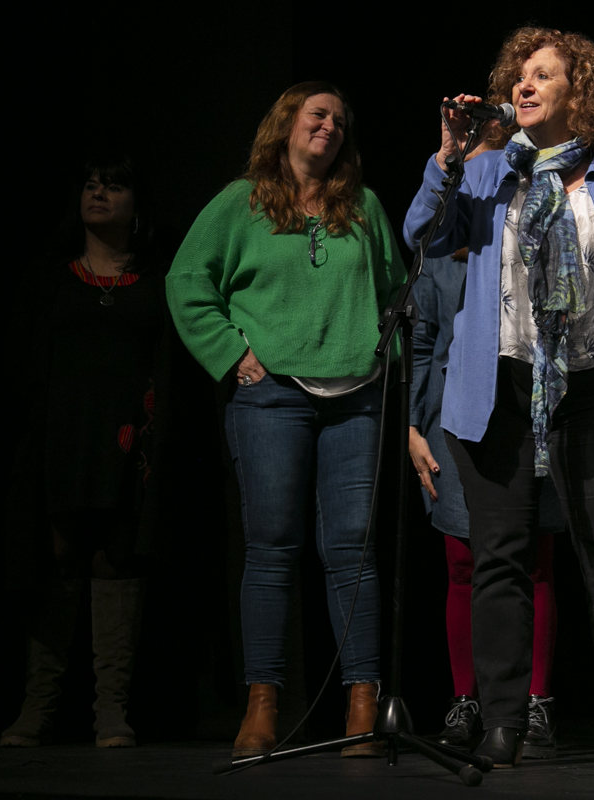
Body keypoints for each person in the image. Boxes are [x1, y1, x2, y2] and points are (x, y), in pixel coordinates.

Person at [404, 27, 594, 769]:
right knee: (499, 561)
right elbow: (423, 237)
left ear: (580, 92)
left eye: (544, 75)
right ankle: (503, 726)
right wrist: (447, 156)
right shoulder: (484, 173)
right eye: (520, 75)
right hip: (499, 388)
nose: (525, 85)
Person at [167, 81, 405, 758]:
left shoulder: (362, 206)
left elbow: (396, 293)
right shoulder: (241, 203)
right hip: (271, 395)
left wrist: (384, 358)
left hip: (356, 397)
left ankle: (362, 704)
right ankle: (262, 704)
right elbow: (187, 282)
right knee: (272, 547)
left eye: (340, 121)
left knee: (353, 550)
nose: (329, 126)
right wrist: (232, 356)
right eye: (317, 115)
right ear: (286, 124)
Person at [1, 155, 165, 749]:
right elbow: (23, 365)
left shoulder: (156, 281)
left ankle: (111, 711)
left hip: (126, 445)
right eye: (91, 184)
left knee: (116, 560)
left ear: (135, 202)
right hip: (60, 445)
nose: (99, 193)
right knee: (57, 558)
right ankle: (37, 708)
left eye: (114, 185)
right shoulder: (50, 279)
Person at [410, 232, 565, 758]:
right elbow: (422, 344)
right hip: (456, 417)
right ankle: (466, 700)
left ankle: (535, 701)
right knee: (462, 563)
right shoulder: (439, 256)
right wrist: (412, 425)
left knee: (533, 560)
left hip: (532, 411)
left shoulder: (536, 232)